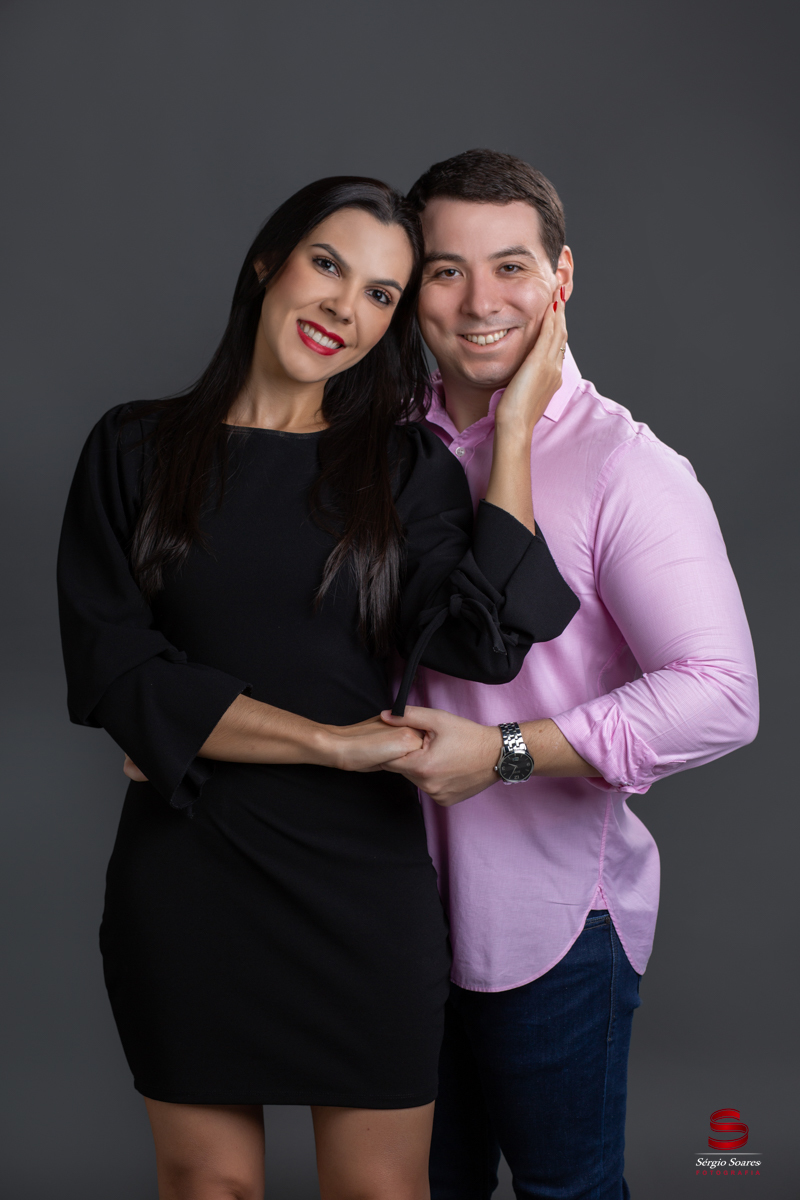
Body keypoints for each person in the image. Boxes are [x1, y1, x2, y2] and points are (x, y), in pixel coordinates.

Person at [56, 175, 579, 1200]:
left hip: (360, 888)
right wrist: (331, 744)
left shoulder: (401, 467)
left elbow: (484, 639)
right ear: (269, 262)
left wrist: (513, 429)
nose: (345, 307)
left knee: (381, 1192)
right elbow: (118, 671)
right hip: (189, 877)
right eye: (328, 265)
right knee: (208, 1185)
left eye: (381, 295)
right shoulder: (131, 448)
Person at [378, 150, 759, 1199]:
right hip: (384, 909)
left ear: (562, 277)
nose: (479, 302)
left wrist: (505, 752)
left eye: (510, 266)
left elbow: (722, 694)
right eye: (445, 270)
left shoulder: (626, 467)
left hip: (549, 925)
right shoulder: (376, 445)